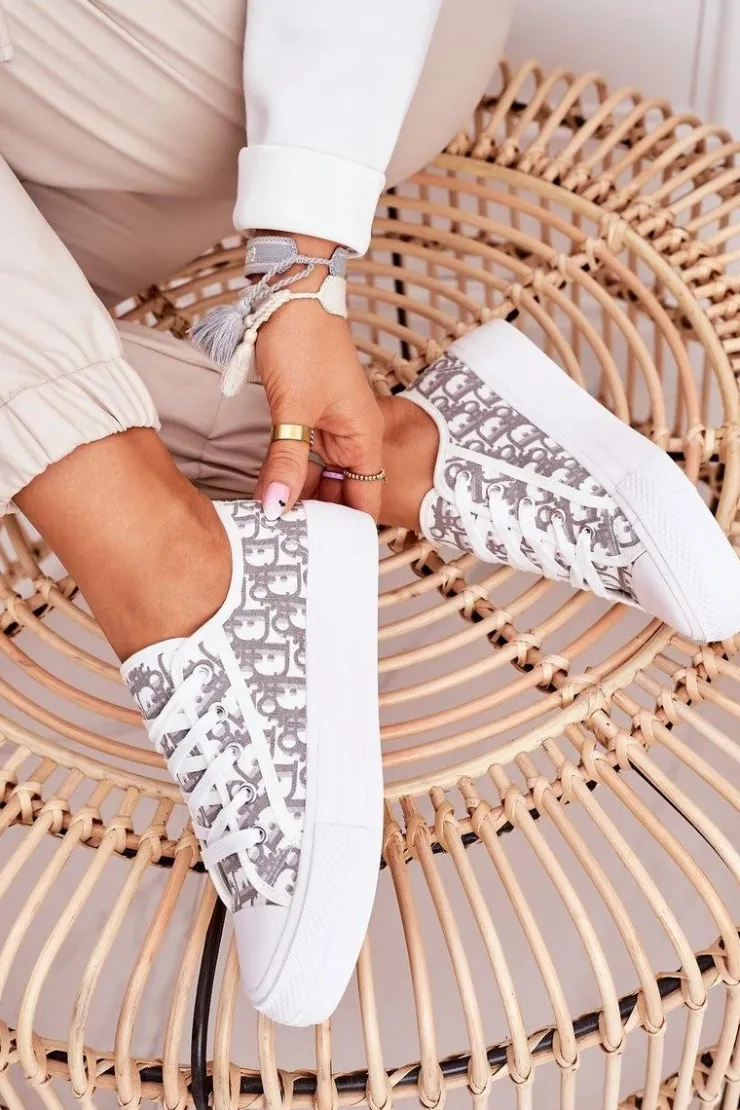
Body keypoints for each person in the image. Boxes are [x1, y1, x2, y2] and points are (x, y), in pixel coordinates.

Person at [2, 1, 739, 1028]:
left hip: (238, 68)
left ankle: (164, 560)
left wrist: (298, 275)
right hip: (102, 166)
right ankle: (390, 451)